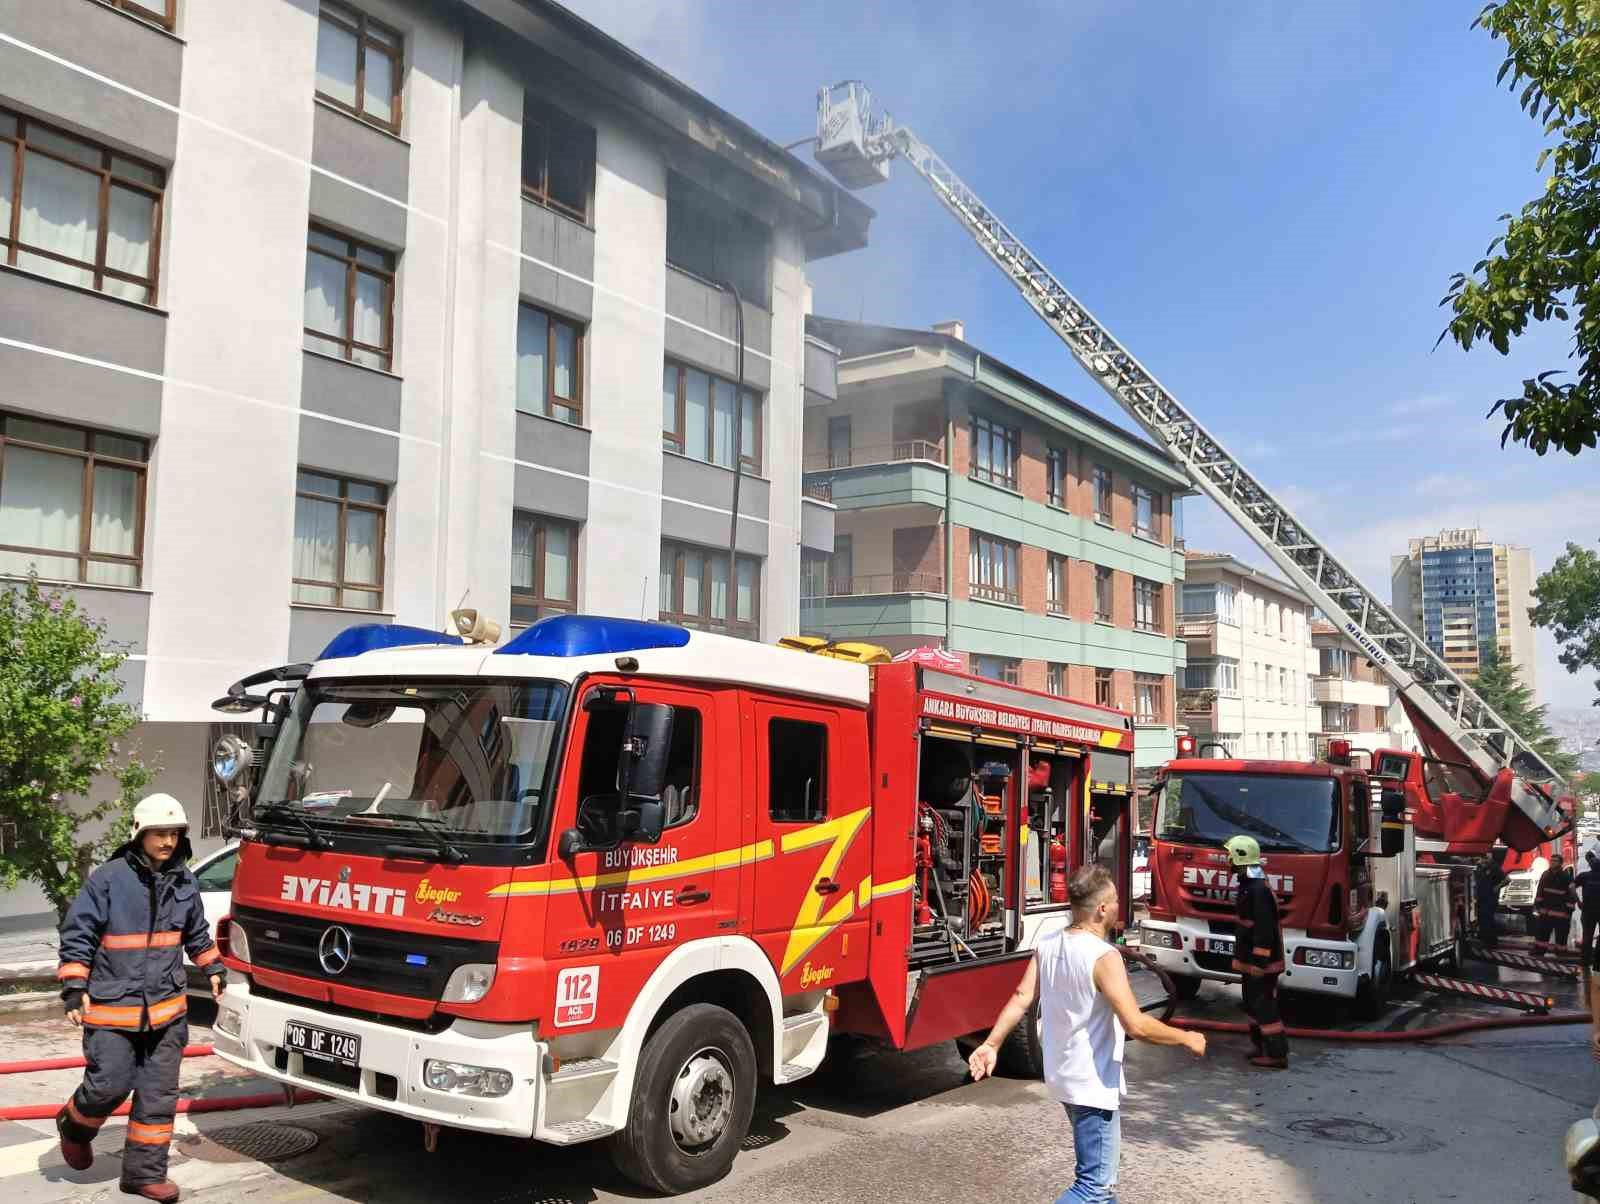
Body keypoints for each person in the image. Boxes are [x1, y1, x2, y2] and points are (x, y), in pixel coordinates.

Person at [968, 864, 1206, 1203]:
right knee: (1094, 1187)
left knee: (1102, 1190)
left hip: (1064, 1075)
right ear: (1102, 909)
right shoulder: (1103, 957)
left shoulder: (1049, 943)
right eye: (1115, 901)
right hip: (1092, 1085)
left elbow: (1022, 997)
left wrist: (992, 1044)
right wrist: (1187, 1038)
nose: (1119, 907)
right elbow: (1135, 1025)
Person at [54, 795, 226, 1203]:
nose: (167, 841)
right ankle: (74, 1126)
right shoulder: (108, 879)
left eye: (174, 833)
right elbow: (78, 935)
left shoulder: (184, 880)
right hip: (113, 1009)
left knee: (158, 1096)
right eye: (159, 833)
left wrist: (214, 967)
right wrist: (75, 989)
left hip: (167, 1012)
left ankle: (144, 1175)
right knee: (108, 1084)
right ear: (140, 834)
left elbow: (196, 933)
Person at [1226, 835, 1289, 1069]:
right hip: (1249, 962)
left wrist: (1259, 963)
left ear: (1240, 858)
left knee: (1265, 1008)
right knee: (1252, 1004)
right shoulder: (1248, 886)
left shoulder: (1258, 890)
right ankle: (1259, 1046)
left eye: (1230, 855)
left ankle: (1276, 1054)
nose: (1227, 860)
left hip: (1261, 964)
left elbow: (1264, 930)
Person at [1532, 853, 1576, 953]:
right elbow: (1540, 890)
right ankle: (1539, 950)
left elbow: (1572, 894)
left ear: (1560, 863)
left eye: (1555, 861)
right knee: (1542, 933)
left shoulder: (1566, 876)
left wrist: (1569, 910)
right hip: (1545, 911)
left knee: (1561, 934)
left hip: (1560, 912)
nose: (1552, 863)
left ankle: (1560, 951)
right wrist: (1537, 906)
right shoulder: (1545, 874)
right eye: (1551, 861)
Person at [1474, 850, 1508, 948]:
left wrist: (1498, 887)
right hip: (1482, 898)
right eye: (1484, 857)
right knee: (1482, 919)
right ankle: (1485, 940)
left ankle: (1491, 942)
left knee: (1488, 920)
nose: (1485, 858)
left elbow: (1507, 879)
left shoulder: (1494, 867)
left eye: (1487, 856)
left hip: (1490, 898)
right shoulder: (1482, 867)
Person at [1575, 851, 1600, 972]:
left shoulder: (1584, 876)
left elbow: (1570, 887)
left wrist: (1578, 901)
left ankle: (1585, 961)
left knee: (1587, 936)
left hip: (1588, 911)